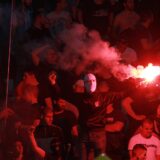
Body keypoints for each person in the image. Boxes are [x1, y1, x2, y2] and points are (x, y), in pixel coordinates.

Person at [71, 73, 123, 160]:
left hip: (98, 133)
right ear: (85, 84)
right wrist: (53, 84)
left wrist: (137, 84)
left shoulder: (104, 97)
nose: (91, 83)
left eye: (93, 81)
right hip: (84, 133)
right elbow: (61, 96)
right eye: (88, 81)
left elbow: (123, 93)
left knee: (100, 158)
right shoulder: (79, 97)